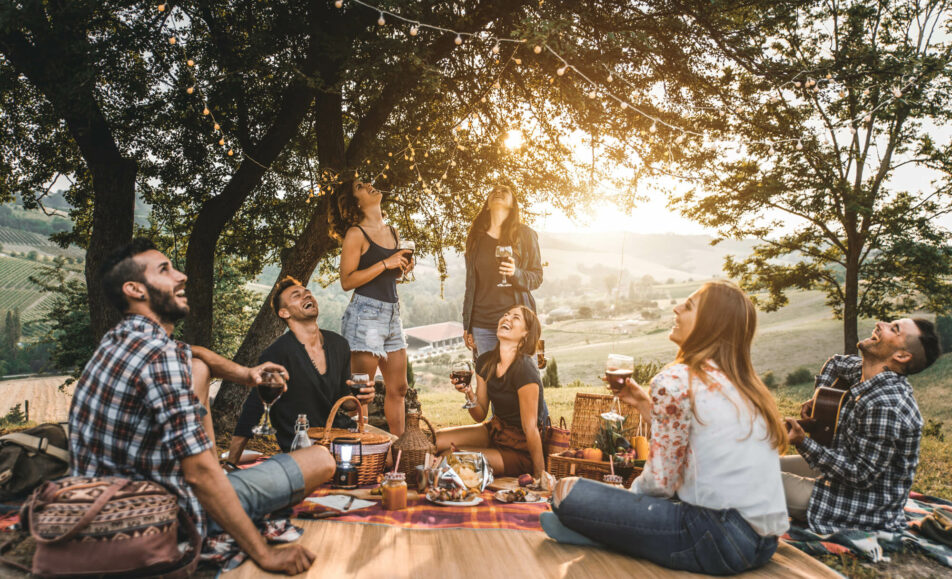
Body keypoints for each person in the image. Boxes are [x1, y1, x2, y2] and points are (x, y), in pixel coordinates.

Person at [69, 239, 334, 575]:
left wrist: (247, 374)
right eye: (165, 270)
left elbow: (194, 355)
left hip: (97, 508)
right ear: (135, 289)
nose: (181, 276)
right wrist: (265, 556)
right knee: (322, 459)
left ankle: (229, 496)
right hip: (160, 517)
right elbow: (199, 475)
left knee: (199, 369)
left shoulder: (120, 340)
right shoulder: (158, 357)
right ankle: (227, 521)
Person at [541, 281, 789, 575]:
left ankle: (601, 533)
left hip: (715, 540)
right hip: (762, 545)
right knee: (598, 504)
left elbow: (660, 483)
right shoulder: (746, 387)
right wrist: (647, 407)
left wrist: (622, 503)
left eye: (689, 305)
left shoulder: (676, 379)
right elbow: (692, 441)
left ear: (710, 324)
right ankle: (602, 533)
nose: (676, 308)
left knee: (564, 491)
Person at [782, 319, 941, 534]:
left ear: (901, 356)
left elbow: (860, 474)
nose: (879, 323)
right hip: (835, 475)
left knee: (752, 476)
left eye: (894, 329)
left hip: (856, 505)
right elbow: (835, 363)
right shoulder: (865, 371)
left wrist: (803, 442)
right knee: (761, 463)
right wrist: (820, 400)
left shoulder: (886, 404)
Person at [228, 276, 375, 463]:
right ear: (284, 313)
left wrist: (361, 398)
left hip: (339, 435)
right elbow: (253, 408)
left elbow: (345, 402)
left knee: (395, 450)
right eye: (296, 295)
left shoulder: (339, 344)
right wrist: (231, 463)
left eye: (308, 293)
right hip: (301, 444)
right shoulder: (276, 353)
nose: (307, 296)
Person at [330, 179, 412, 436]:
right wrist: (386, 264)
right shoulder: (356, 233)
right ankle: (364, 452)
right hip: (366, 315)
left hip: (392, 313)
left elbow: (391, 276)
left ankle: (399, 449)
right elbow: (347, 281)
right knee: (362, 393)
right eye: (360, 187)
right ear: (354, 203)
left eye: (367, 183)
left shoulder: (394, 232)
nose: (369, 185)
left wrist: (401, 268)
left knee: (399, 389)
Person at [435, 305, 549, 478]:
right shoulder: (485, 361)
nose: (507, 318)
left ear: (526, 333)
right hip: (495, 432)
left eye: (516, 318)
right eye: (505, 314)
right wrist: (468, 392)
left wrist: (540, 475)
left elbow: (530, 428)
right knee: (434, 441)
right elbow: (480, 413)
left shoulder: (525, 368)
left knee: (449, 459)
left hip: (520, 448)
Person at [462, 185, 543, 357]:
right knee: (490, 381)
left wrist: (516, 273)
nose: (498, 192)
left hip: (518, 325)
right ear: (488, 205)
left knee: (525, 379)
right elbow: (470, 286)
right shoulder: (475, 239)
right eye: (493, 191)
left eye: (504, 191)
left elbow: (537, 277)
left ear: (513, 204)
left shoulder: (526, 235)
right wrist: (467, 325)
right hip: (482, 324)